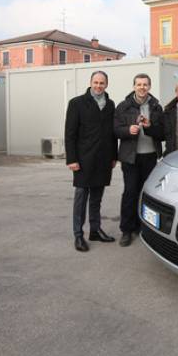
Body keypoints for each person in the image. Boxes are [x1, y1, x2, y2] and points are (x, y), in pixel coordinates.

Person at [65, 71, 118, 252]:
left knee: (97, 198)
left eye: (102, 83)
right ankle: (78, 235)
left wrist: (114, 156)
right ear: (90, 83)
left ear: (106, 84)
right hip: (83, 159)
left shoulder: (110, 104)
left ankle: (95, 230)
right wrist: (71, 159)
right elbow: (70, 133)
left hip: (103, 159)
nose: (98, 86)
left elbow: (112, 133)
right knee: (81, 198)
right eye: (96, 82)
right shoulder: (77, 103)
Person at [114, 73, 164, 247]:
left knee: (146, 194)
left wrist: (150, 127)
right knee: (130, 192)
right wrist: (128, 130)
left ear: (149, 86)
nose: (142, 87)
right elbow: (115, 130)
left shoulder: (156, 107)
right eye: (139, 84)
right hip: (130, 157)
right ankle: (127, 230)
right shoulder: (123, 106)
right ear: (134, 86)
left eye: (145, 84)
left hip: (150, 156)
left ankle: (143, 226)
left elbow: (162, 133)